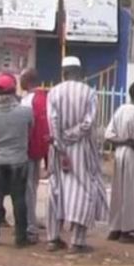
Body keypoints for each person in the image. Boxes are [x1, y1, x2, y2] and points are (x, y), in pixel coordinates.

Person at [46, 57, 108, 254]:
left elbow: (52, 121)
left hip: (58, 149)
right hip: (81, 148)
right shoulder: (89, 93)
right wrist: (72, 136)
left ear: (63, 73)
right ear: (80, 73)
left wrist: (60, 141)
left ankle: (53, 238)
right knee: (83, 191)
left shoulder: (54, 92)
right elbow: (89, 123)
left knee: (56, 190)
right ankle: (77, 241)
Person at [0, 73, 35, 247]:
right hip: (19, 160)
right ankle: (20, 238)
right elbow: (30, 132)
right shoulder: (26, 112)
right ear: (14, 91)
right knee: (19, 199)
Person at [105, 82, 134, 244]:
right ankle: (126, 231)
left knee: (119, 191)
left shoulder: (121, 109)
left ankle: (115, 228)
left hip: (120, 153)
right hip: (133, 154)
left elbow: (108, 134)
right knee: (131, 191)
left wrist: (123, 141)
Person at [20, 68, 50, 240]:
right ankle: (32, 220)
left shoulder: (28, 101)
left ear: (27, 80)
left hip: (28, 148)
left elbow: (26, 127)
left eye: (22, 78)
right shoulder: (44, 98)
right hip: (41, 148)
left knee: (28, 189)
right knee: (33, 186)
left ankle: (30, 226)